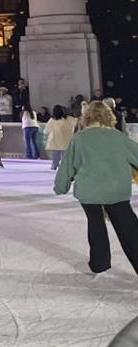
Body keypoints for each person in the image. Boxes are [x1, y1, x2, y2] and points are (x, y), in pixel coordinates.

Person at [54, 100, 138, 276]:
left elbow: (68, 165)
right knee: (129, 229)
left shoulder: (80, 139)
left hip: (89, 192)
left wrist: (61, 186)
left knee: (96, 224)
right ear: (109, 116)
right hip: (117, 191)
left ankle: (99, 263)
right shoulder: (119, 137)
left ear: (87, 116)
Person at [46, 105, 77, 170]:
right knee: (65, 156)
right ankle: (65, 167)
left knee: (55, 155)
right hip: (66, 141)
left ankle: (54, 166)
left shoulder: (52, 120)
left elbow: (47, 130)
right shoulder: (70, 119)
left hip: (55, 141)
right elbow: (76, 124)